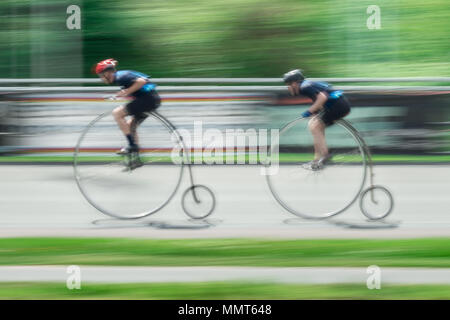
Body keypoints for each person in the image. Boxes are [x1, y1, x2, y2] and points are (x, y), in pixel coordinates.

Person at [283, 69, 351, 170]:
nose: (287, 87)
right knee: (313, 125)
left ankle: (325, 155)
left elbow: (322, 97)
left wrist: (309, 111)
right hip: (339, 104)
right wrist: (314, 113)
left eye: (288, 84)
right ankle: (316, 160)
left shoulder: (304, 87)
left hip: (338, 106)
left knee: (315, 126)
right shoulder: (307, 84)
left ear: (294, 83)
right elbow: (321, 99)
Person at [94, 58, 161, 155]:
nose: (101, 79)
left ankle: (132, 145)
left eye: (101, 75)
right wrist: (120, 94)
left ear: (107, 73)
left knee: (117, 113)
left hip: (147, 100)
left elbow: (142, 81)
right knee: (130, 126)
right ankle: (135, 157)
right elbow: (136, 89)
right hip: (152, 100)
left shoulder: (121, 77)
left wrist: (126, 92)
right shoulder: (120, 77)